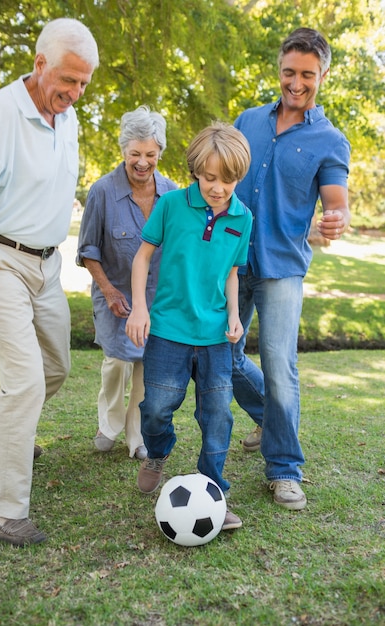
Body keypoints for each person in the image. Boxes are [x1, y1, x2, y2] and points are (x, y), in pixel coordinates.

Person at [0, 18, 99, 546]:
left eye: (85, 83)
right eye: (68, 80)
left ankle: (1, 427)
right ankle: (1, 511)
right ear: (40, 63)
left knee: (56, 367)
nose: (75, 93)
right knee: (24, 381)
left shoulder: (65, 117)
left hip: (46, 267)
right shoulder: (3, 113)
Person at [232, 27, 351, 510]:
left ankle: (284, 470)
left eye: (307, 74)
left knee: (281, 367)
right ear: (279, 70)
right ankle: (269, 418)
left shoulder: (329, 139)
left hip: (282, 269)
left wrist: (337, 217)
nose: (296, 83)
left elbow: (336, 203)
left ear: (322, 75)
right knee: (218, 356)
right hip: (231, 262)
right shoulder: (248, 120)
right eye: (288, 72)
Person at [125, 122, 253, 531]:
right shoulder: (171, 205)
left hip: (216, 336)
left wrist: (234, 316)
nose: (218, 188)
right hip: (167, 331)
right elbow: (142, 257)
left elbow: (232, 273)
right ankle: (158, 452)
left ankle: (213, 491)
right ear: (196, 169)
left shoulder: (242, 217)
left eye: (228, 180)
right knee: (157, 407)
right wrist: (139, 309)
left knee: (217, 416)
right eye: (210, 178)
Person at [76, 105, 178, 460]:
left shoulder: (172, 194)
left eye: (150, 154)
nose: (142, 162)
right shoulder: (102, 191)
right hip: (114, 293)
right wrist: (108, 290)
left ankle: (136, 435)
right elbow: (88, 249)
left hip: (155, 299)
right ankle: (110, 422)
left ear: (159, 153)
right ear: (123, 151)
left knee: (145, 368)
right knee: (117, 361)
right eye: (135, 154)